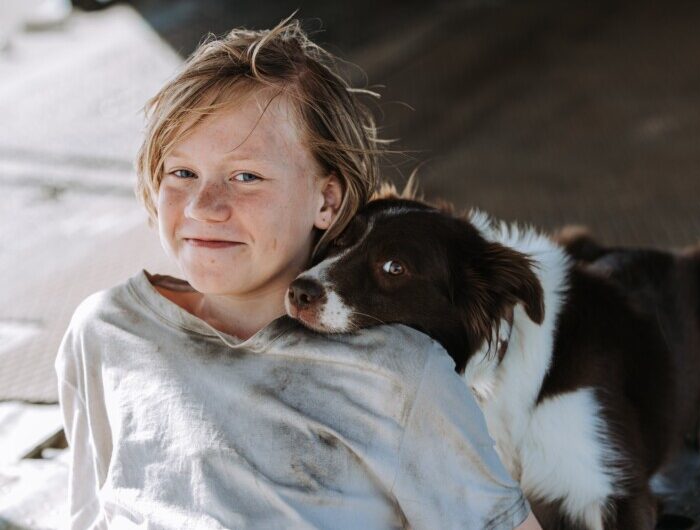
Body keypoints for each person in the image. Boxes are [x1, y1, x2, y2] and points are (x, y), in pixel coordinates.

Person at [55, 15, 542, 530]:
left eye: (246, 176)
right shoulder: (106, 331)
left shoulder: (397, 372)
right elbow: (93, 512)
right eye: (182, 172)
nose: (203, 205)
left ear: (326, 200)